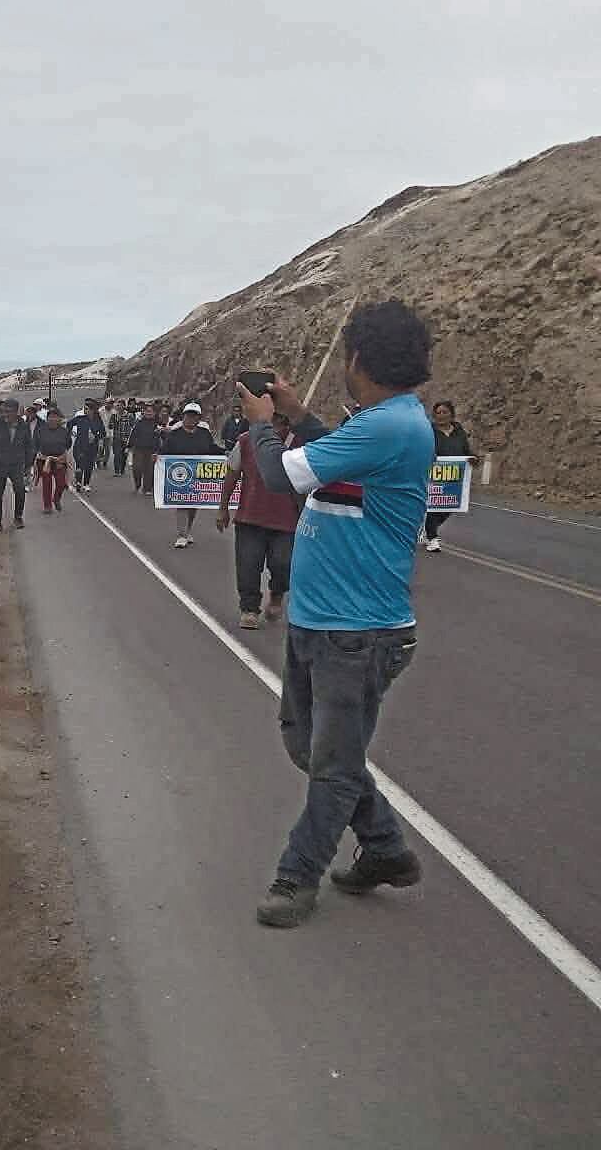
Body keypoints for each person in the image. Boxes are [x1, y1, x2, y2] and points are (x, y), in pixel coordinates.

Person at [239, 299, 434, 929]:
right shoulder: (383, 424)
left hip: (358, 632)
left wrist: (263, 425)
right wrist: (297, 416)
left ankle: (296, 878)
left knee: (332, 766)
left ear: (357, 360)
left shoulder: (390, 426)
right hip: (321, 620)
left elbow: (277, 475)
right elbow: (335, 454)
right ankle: (385, 849)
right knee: (309, 746)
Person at [218, 411, 299, 629]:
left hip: (287, 520)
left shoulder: (300, 443)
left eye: (281, 421)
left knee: (284, 564)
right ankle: (249, 608)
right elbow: (232, 473)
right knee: (248, 565)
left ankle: (277, 594)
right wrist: (223, 508)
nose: (277, 426)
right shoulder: (246, 441)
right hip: (250, 516)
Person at [165, 402, 222, 546]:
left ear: (199, 418)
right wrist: (157, 456)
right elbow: (165, 450)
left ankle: (187, 530)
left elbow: (212, 448)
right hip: (180, 475)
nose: (191, 418)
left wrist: (225, 453)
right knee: (182, 504)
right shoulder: (175, 434)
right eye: (188, 415)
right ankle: (181, 535)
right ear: (183, 416)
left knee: (193, 505)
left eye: (194, 416)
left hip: (198, 475)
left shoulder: (204, 434)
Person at [423, 401, 473, 552]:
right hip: (435, 474)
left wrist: (472, 458)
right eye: (438, 413)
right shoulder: (429, 431)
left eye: (444, 412)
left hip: (454, 475)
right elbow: (422, 449)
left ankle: (428, 529)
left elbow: (466, 449)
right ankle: (432, 537)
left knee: (449, 506)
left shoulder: (459, 431)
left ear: (452, 414)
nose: (441, 415)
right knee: (434, 505)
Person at [0, 398, 32, 531]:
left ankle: (18, 517)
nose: (6, 415)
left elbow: (29, 446)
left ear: (16, 412)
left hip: (16, 465)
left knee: (20, 490)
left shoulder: (24, 425)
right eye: (4, 411)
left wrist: (28, 465)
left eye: (9, 412)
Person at [32, 408, 71, 513]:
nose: (53, 419)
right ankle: (47, 506)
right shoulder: (41, 430)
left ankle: (56, 498)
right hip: (45, 460)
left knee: (61, 483)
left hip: (59, 460)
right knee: (46, 483)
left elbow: (68, 444)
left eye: (55, 417)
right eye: (50, 417)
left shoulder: (64, 431)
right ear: (47, 418)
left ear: (59, 419)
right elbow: (35, 443)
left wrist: (61, 455)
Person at [66, 398, 107, 492]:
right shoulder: (80, 419)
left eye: (87, 409)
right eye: (85, 409)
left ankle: (86, 484)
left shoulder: (98, 420)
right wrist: (70, 433)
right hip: (79, 446)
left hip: (92, 447)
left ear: (92, 410)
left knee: (89, 466)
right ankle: (78, 482)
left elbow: (103, 433)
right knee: (80, 465)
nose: (85, 411)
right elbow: (69, 424)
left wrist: (96, 436)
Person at [127, 403, 162, 495]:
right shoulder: (139, 423)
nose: (148, 413)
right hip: (139, 449)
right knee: (137, 468)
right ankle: (137, 485)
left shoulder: (157, 424)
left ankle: (147, 488)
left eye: (150, 411)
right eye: (147, 411)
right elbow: (133, 434)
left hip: (152, 450)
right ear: (144, 412)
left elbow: (161, 437)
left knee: (149, 470)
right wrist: (129, 446)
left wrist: (158, 450)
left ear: (154, 413)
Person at [107, 399, 134, 477]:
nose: (119, 407)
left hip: (126, 439)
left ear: (124, 406)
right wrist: (114, 422)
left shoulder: (129, 415)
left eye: (121, 405)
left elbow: (133, 426)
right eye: (117, 405)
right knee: (117, 454)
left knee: (124, 455)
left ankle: (122, 469)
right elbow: (110, 426)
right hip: (117, 438)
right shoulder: (114, 416)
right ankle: (117, 471)